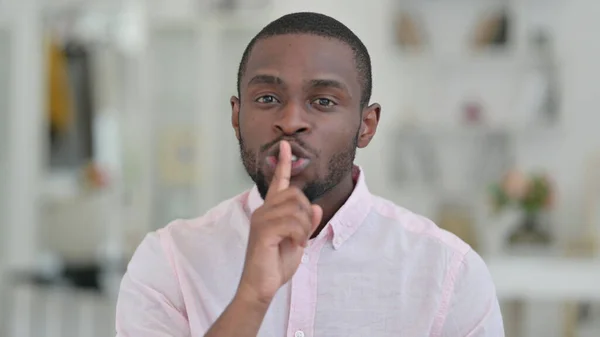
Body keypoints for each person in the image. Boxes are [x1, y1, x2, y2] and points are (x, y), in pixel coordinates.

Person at [115, 12, 504, 337]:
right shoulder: (169, 261)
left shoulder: (450, 274)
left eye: (323, 101)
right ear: (236, 117)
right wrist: (251, 298)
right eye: (267, 99)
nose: (290, 122)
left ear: (366, 126)